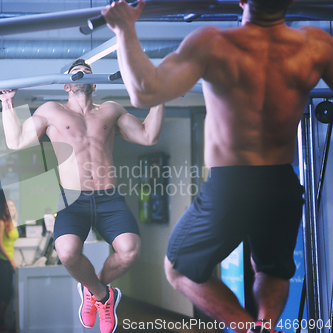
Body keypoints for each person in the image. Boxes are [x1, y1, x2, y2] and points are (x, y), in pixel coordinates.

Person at [102, 0, 333, 332]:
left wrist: (124, 29)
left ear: (241, 1)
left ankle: (248, 328)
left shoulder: (215, 43)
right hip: (282, 181)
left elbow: (145, 92)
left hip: (232, 184)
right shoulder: (316, 45)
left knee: (178, 268)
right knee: (273, 269)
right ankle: (265, 326)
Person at [0, 58, 165, 333]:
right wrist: (7, 103)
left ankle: (93, 290)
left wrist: (159, 99)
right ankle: (103, 296)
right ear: (66, 84)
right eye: (75, 73)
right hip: (71, 198)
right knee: (67, 253)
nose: (81, 75)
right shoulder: (52, 111)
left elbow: (149, 137)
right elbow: (15, 141)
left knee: (130, 250)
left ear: (94, 83)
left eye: (86, 72)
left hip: (108, 197)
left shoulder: (110, 111)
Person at [0, 195, 19, 333]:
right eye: (8, 206)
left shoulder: (12, 222)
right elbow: (0, 245)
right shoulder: (1, 223)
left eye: (12, 206)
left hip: (7, 261)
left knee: (7, 292)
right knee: (4, 291)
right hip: (0, 261)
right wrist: (11, 260)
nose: (10, 209)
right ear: (3, 209)